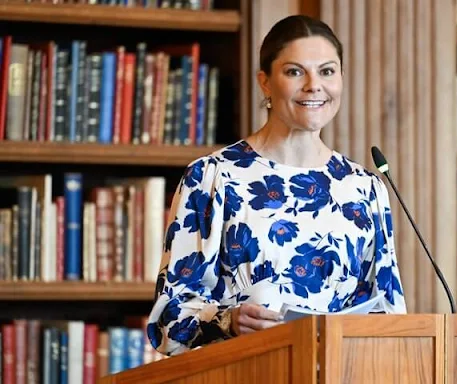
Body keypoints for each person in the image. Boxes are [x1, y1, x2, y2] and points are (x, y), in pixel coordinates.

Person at [146, 14, 407, 356]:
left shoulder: (365, 188)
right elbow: (167, 320)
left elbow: (390, 317)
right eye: (295, 71)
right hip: (245, 372)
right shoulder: (213, 177)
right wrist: (229, 320)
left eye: (327, 71)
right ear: (265, 82)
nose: (314, 85)